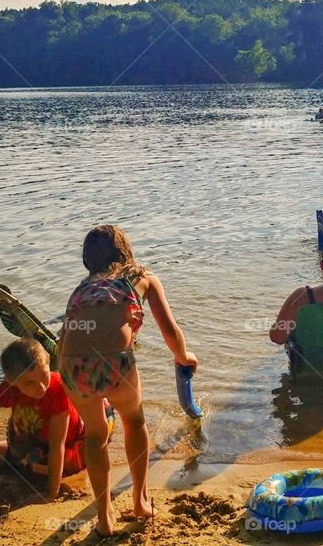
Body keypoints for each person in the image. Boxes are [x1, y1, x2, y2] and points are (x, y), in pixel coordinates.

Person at [58, 225, 198, 539]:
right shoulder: (142, 276)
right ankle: (140, 501)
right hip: (114, 363)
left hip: (71, 365)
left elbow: (64, 337)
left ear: (87, 260)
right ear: (125, 251)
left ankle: (104, 515)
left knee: (95, 433)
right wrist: (184, 357)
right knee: (134, 421)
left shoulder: (81, 288)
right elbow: (170, 331)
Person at [0, 338, 86, 505]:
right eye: (30, 383)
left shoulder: (58, 391)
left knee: (41, 470)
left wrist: (50, 494)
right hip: (38, 447)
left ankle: (39, 472)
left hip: (70, 448)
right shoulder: (9, 388)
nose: (41, 387)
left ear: (49, 361)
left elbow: (58, 446)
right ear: (11, 380)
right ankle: (32, 467)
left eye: (44, 376)